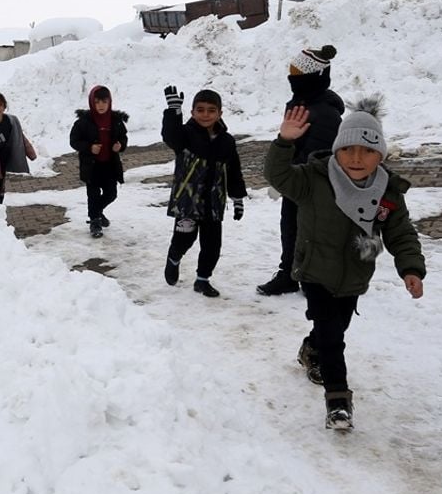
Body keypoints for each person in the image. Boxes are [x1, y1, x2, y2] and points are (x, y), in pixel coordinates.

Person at [263, 96, 426, 432]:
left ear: (380, 155)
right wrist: (284, 142)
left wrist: (411, 268)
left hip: (355, 272)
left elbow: (400, 232)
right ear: (336, 150)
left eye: (367, 151)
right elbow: (277, 175)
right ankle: (338, 401)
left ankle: (311, 347)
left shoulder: (387, 191)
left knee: (336, 326)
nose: (356, 158)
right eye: (348, 149)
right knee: (333, 335)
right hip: (315, 270)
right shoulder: (313, 178)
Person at [259, 45, 345, 296]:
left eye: (297, 73)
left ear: (312, 76)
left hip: (312, 187)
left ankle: (313, 277)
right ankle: (289, 273)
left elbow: (320, 156)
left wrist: (293, 173)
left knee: (310, 232)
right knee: (290, 229)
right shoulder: (300, 104)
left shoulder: (326, 113)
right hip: (294, 183)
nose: (292, 78)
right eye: (291, 72)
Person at [160, 86, 246, 298]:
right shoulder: (185, 135)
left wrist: (237, 198)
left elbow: (234, 170)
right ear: (192, 112)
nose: (205, 114)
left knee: (212, 244)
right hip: (187, 201)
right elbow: (170, 135)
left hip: (213, 202)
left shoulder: (227, 141)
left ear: (220, 113)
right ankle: (174, 258)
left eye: (210, 110)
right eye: (200, 110)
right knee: (184, 239)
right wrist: (173, 112)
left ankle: (202, 279)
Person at [69, 85, 128, 238]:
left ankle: (96, 212)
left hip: (109, 165)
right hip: (92, 166)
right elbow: (74, 141)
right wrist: (89, 147)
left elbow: (123, 137)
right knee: (93, 195)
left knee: (111, 194)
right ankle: (95, 222)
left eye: (104, 101)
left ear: (109, 102)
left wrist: (120, 145)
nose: (101, 105)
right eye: (97, 102)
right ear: (91, 103)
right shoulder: (84, 122)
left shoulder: (115, 120)